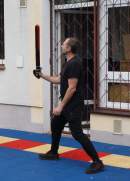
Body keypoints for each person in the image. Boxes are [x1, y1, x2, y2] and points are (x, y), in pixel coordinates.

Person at [35, 37, 105, 174]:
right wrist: (42, 75)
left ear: (69, 48)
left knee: (77, 133)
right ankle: (53, 152)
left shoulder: (74, 64)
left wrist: (60, 106)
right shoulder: (68, 63)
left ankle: (97, 162)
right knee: (56, 124)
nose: (61, 46)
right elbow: (61, 80)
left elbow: (72, 88)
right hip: (68, 104)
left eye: (63, 44)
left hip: (73, 104)